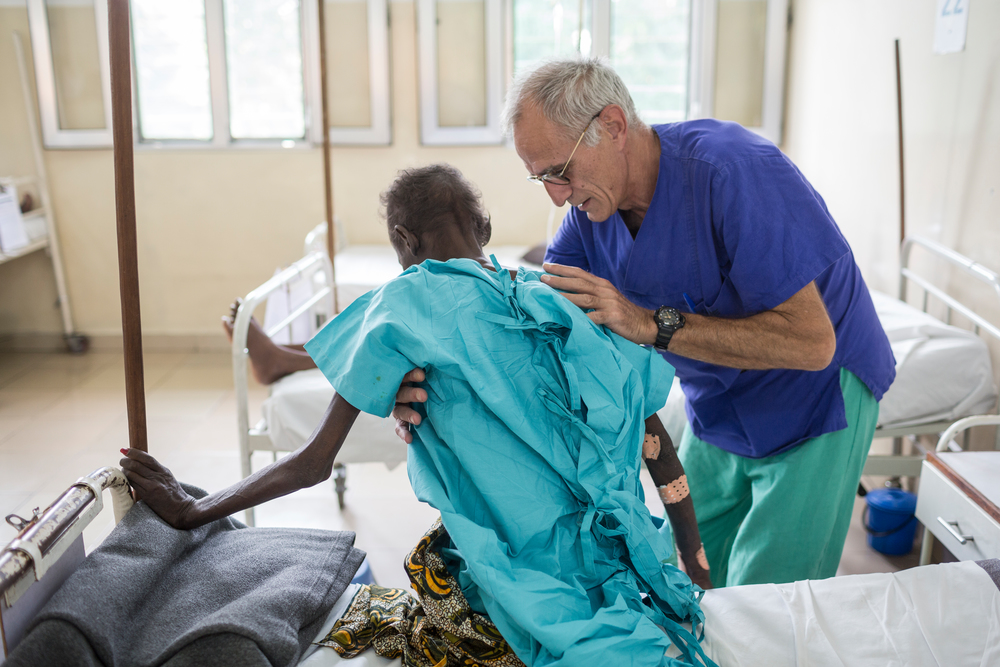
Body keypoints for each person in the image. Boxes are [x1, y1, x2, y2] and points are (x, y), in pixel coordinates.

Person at [123, 164, 716, 666]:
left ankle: (284, 359)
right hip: (626, 568)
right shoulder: (558, 295)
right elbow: (656, 443)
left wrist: (193, 508)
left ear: (404, 242)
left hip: (521, 584)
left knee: (431, 582)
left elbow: (310, 465)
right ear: (484, 228)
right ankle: (283, 358)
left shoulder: (401, 303)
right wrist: (691, 560)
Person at [413, 57, 892, 589]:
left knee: (773, 599)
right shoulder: (590, 218)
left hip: (815, 395)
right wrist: (432, 380)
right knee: (682, 578)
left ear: (613, 126)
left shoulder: (732, 171)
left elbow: (812, 343)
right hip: (719, 397)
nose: (556, 194)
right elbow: (531, 321)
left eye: (560, 170)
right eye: (541, 177)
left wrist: (651, 323)